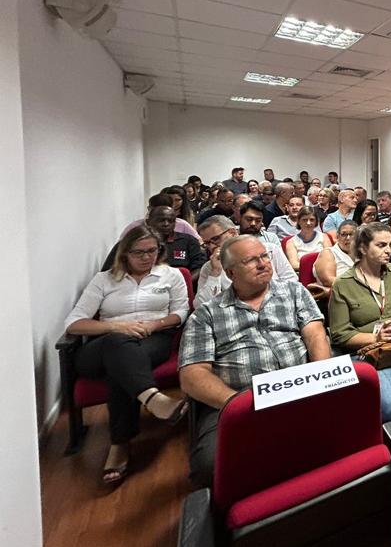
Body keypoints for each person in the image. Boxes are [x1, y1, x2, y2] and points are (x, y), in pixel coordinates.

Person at [179, 235, 331, 487]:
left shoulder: (294, 292)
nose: (263, 264)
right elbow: (193, 375)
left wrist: (321, 380)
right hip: (238, 399)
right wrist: (240, 405)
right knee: (211, 466)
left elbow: (315, 334)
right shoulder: (207, 314)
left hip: (303, 386)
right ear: (230, 272)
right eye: (250, 260)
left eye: (264, 256)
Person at [65, 226, 190, 485]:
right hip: (103, 344)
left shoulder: (171, 275)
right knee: (118, 345)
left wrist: (154, 325)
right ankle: (153, 398)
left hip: (152, 338)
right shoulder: (105, 279)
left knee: (119, 367)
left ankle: (119, 443)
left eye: (152, 251)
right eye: (139, 252)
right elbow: (75, 323)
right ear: (124, 254)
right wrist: (116, 326)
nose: (147, 257)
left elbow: (181, 312)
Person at [328, 222, 391, 422]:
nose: (389, 250)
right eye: (381, 245)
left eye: (389, 245)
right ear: (363, 248)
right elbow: (340, 333)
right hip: (375, 353)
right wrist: (376, 337)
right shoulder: (343, 284)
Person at [195, 214, 297, 305]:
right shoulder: (210, 268)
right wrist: (215, 273)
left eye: (215, 239)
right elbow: (200, 306)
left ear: (233, 233)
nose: (212, 246)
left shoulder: (269, 250)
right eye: (207, 243)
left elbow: (292, 284)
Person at [104, 206, 206, 280]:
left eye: (170, 221)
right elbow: (108, 271)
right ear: (148, 222)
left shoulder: (188, 241)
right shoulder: (128, 243)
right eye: (161, 220)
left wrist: (181, 283)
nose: (166, 224)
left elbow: (199, 268)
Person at [125, 193, 202, 241]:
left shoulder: (181, 224)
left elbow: (199, 241)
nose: (166, 224)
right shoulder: (135, 227)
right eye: (160, 219)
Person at [314, 219, 356, 287]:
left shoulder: (361, 253)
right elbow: (328, 281)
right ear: (337, 236)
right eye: (344, 234)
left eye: (351, 234)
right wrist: (358, 284)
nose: (348, 238)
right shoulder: (328, 253)